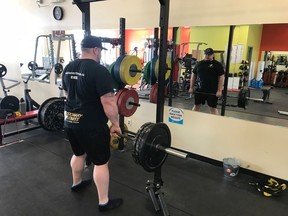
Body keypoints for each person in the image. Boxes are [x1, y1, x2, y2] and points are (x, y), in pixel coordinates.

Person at [62, 35, 123, 212]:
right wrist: (115, 124)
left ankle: (76, 183)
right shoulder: (99, 70)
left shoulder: (68, 67)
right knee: (100, 162)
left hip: (70, 121)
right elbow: (109, 102)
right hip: (91, 126)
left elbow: (66, 93)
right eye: (100, 51)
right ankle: (103, 202)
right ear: (96, 50)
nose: (100, 55)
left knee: (78, 154)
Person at [188, 48, 225, 115]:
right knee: (196, 106)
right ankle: (193, 120)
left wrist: (219, 90)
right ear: (204, 54)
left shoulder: (217, 65)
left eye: (209, 54)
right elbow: (193, 76)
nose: (207, 56)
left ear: (213, 55)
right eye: (206, 54)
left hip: (212, 91)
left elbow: (221, 77)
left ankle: (215, 123)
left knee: (213, 108)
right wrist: (191, 87)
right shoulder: (199, 64)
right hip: (200, 89)